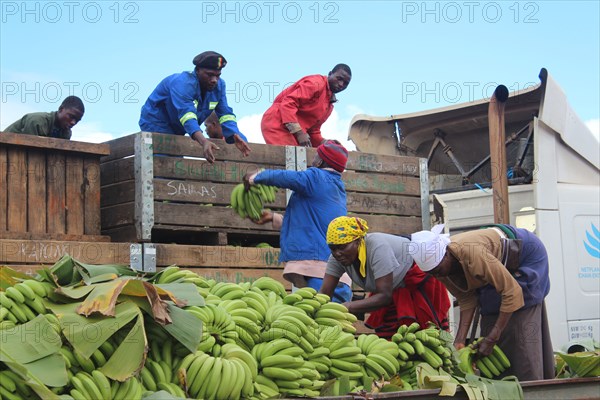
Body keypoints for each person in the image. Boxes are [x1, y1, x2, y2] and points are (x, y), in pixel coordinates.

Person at [410, 224, 554, 381]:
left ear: (446, 255)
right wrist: (459, 341)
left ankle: (531, 379)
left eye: (437, 270)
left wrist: (493, 338)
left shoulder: (472, 254)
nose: (436, 275)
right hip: (497, 262)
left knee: (519, 324)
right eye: (431, 273)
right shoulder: (441, 269)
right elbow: (467, 299)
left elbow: (512, 292)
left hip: (525, 256)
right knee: (489, 310)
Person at [244, 140, 352, 302]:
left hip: (320, 272)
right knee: (336, 323)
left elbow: (287, 177)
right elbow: (313, 224)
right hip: (338, 275)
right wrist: (274, 219)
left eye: (316, 156)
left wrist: (255, 177)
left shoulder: (316, 177)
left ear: (320, 161)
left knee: (319, 321)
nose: (312, 160)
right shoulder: (336, 188)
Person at [320, 216, 451, 339]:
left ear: (358, 241)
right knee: (389, 336)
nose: (338, 253)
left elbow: (384, 296)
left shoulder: (377, 247)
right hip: (393, 288)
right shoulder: (336, 258)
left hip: (416, 282)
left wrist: (347, 307)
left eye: (343, 247)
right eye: (333, 248)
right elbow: (325, 294)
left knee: (429, 333)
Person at [139, 51, 251, 163]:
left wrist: (234, 134)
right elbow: (187, 115)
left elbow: (225, 113)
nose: (214, 80)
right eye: (210, 74)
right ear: (197, 71)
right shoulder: (182, 83)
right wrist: (203, 141)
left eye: (218, 75)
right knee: (166, 161)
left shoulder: (219, 86)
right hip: (156, 121)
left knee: (175, 161)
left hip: (177, 126)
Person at [261, 64, 352, 147]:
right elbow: (288, 104)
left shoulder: (329, 106)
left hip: (295, 132)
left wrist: (324, 143)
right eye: (339, 78)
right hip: (277, 121)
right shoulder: (316, 84)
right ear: (330, 74)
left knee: (301, 161)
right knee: (292, 160)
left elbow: (313, 131)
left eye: (345, 83)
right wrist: (299, 133)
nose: (341, 84)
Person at [3, 96, 84, 139]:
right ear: (61, 109)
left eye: (77, 120)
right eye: (71, 116)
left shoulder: (66, 133)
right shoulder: (37, 121)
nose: (73, 122)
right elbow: (30, 150)